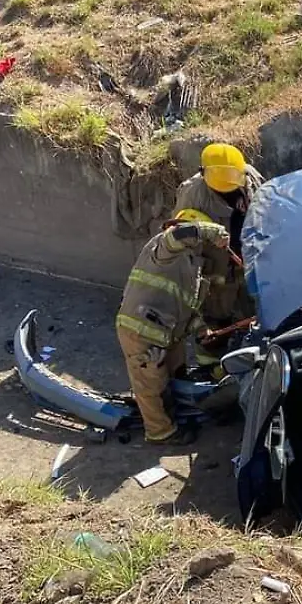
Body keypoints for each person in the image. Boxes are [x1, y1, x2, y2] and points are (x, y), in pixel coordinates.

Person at [116, 214, 230, 444]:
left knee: (175, 372)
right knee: (151, 383)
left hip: (166, 332)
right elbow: (179, 235)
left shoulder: (189, 265)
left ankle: (174, 411)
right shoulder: (162, 247)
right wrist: (211, 231)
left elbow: (186, 306)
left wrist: (201, 330)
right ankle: (160, 432)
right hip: (141, 331)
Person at [173, 143, 265, 364]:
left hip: (248, 261)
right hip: (216, 268)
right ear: (204, 173)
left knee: (250, 315)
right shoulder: (193, 194)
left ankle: (249, 362)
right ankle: (211, 367)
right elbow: (182, 235)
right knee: (215, 320)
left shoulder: (249, 178)